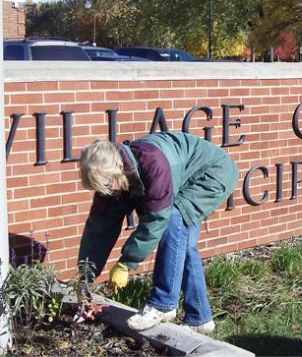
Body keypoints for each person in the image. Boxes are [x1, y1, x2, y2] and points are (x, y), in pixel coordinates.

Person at [77, 131, 239, 333]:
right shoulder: (110, 179)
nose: (107, 192)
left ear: (118, 167)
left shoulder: (153, 164)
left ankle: (163, 304)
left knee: (173, 220)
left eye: (108, 185)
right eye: (100, 188)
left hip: (212, 173)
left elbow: (156, 220)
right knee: (183, 245)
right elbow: (99, 229)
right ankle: (200, 318)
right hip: (184, 176)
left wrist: (126, 263)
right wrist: (86, 275)